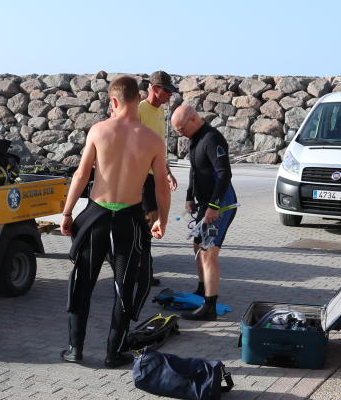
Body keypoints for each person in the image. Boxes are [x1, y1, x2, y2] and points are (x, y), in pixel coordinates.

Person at [60, 75, 169, 367]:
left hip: (96, 217)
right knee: (125, 285)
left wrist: (68, 212)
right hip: (130, 221)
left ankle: (75, 349)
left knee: (83, 282)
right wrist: (162, 221)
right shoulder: (153, 140)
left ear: (114, 101)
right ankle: (113, 352)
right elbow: (160, 186)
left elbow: (82, 175)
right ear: (137, 100)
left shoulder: (98, 130)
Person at [171, 105, 236, 320]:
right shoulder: (194, 139)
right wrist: (190, 196)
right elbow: (194, 169)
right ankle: (202, 290)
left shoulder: (212, 139)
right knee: (198, 246)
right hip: (204, 202)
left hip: (220, 203)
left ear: (192, 119)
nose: (179, 134)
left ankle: (210, 306)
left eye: (180, 129)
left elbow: (225, 174)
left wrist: (214, 207)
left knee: (209, 253)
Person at [139, 71, 179, 231]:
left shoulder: (161, 111)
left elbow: (159, 147)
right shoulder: (140, 110)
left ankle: (143, 254)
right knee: (152, 218)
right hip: (142, 176)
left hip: (157, 174)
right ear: (155, 88)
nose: (171, 95)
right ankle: (140, 254)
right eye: (167, 91)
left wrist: (167, 172)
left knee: (152, 220)